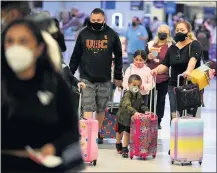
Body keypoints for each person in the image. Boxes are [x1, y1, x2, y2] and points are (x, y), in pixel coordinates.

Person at [1, 20, 84, 172]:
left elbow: (71, 131)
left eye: (23, 41)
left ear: (39, 48)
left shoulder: (55, 84)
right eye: (10, 41)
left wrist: (54, 147)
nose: (15, 47)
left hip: (47, 166)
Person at [69, 8, 123, 144]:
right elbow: (75, 56)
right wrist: (70, 75)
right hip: (86, 78)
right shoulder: (83, 34)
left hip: (105, 78)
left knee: (101, 108)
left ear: (104, 19)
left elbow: (119, 57)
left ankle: (97, 133)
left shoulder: (112, 35)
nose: (95, 22)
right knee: (87, 107)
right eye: (93, 20)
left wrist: (118, 76)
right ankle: (88, 134)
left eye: (98, 20)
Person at [151, 21, 202, 124]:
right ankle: (175, 137)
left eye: (182, 30)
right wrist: (156, 70)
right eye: (177, 30)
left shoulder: (194, 44)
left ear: (188, 32)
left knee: (189, 115)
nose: (179, 32)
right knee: (174, 114)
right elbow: (165, 65)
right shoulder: (172, 48)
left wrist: (188, 71)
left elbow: (193, 60)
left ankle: (188, 138)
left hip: (190, 85)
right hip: (174, 84)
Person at [146, 24, 175, 129]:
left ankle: (158, 120)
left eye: (165, 31)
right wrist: (148, 57)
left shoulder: (172, 46)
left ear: (168, 34)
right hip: (151, 77)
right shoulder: (150, 44)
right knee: (150, 99)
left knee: (161, 100)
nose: (162, 33)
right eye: (161, 31)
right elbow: (143, 58)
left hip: (165, 77)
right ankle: (150, 118)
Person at [116, 74, 149, 158]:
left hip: (130, 117)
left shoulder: (138, 94)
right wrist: (135, 112)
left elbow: (141, 104)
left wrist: (146, 110)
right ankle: (118, 144)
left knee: (127, 132)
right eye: (134, 85)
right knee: (119, 132)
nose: (136, 87)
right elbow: (127, 105)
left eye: (138, 85)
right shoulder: (127, 94)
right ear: (129, 84)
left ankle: (125, 148)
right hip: (122, 116)